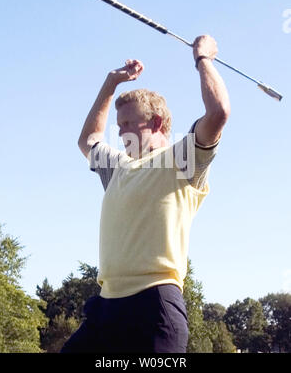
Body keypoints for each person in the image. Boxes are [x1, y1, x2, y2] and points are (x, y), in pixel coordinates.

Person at [61, 35, 230, 353]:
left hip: (154, 306)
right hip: (106, 307)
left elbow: (219, 112)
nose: (120, 131)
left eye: (127, 124)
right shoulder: (118, 168)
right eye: (118, 124)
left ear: (155, 122)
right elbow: (87, 139)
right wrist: (111, 83)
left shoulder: (181, 159)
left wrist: (203, 59)